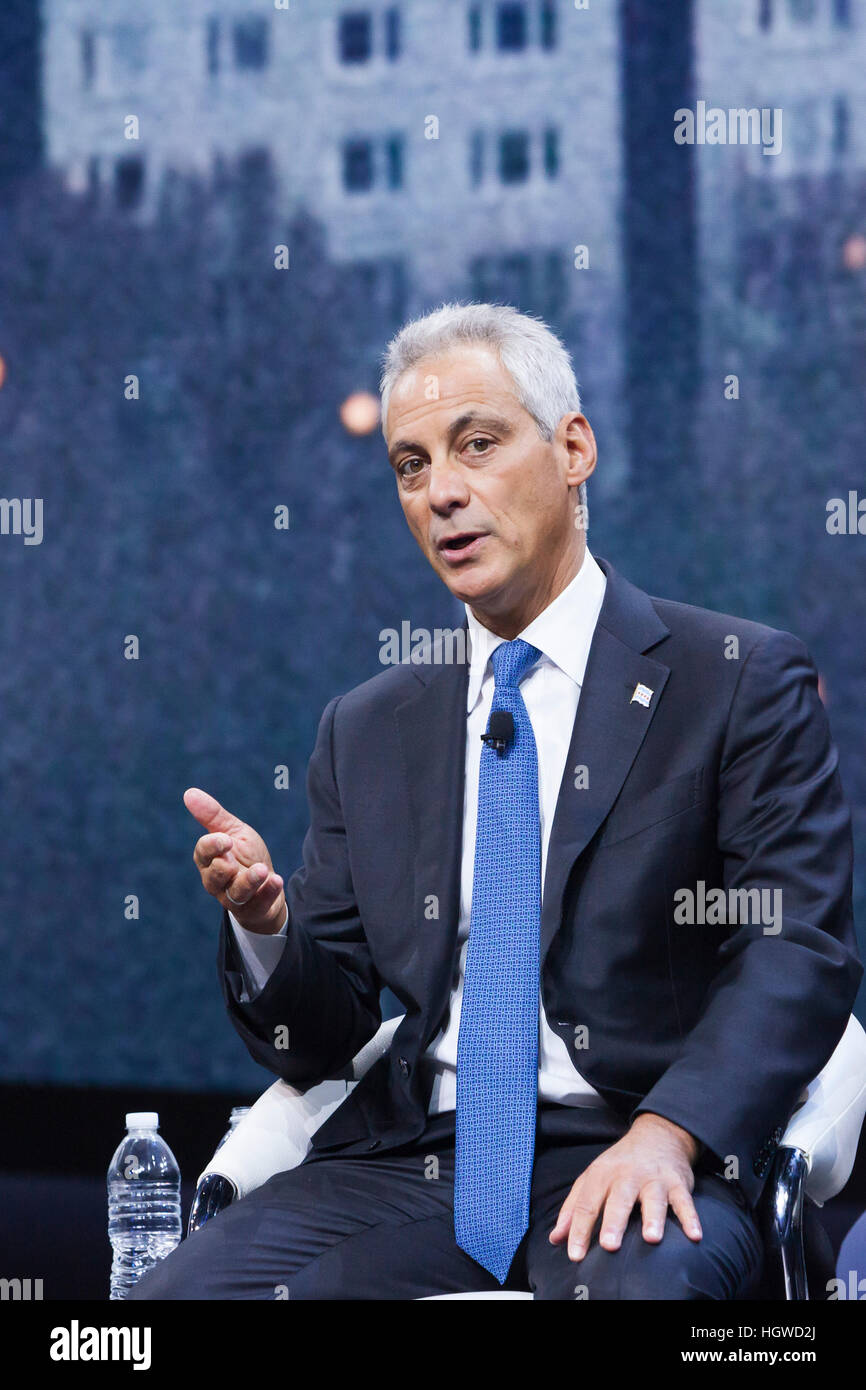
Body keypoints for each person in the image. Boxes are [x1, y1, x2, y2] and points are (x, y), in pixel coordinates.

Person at [131, 302, 861, 1300]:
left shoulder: (731, 678)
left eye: (476, 445)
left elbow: (797, 949)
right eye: (411, 464)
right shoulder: (367, 726)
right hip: (416, 1160)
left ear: (571, 449)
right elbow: (323, 1034)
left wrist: (669, 1133)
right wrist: (267, 925)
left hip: (638, 1137)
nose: (441, 492)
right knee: (167, 1308)